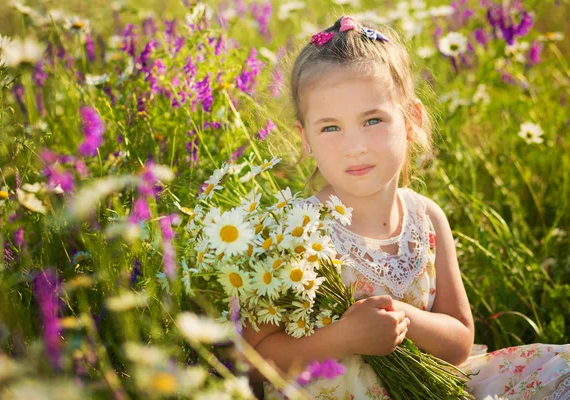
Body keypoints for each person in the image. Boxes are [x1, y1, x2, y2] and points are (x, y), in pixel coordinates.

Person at [243, 15, 570, 400]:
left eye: (373, 120)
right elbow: (252, 358)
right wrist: (344, 337)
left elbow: (460, 342)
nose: (355, 146)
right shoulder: (292, 231)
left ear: (411, 120)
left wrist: (405, 316)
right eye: (331, 128)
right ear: (306, 139)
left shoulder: (426, 218)